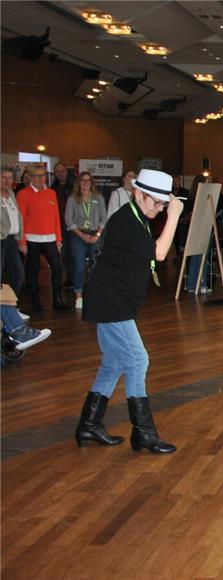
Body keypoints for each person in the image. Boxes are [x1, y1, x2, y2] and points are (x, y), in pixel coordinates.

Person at [75, 169, 184, 453]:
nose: (160, 208)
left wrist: (165, 212)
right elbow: (160, 253)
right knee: (137, 360)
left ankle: (89, 424)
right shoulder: (126, 221)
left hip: (113, 299)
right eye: (156, 203)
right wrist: (173, 216)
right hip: (112, 302)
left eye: (163, 204)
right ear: (138, 194)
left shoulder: (137, 217)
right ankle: (144, 433)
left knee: (113, 362)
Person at [17, 164, 71, 313]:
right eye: (37, 176)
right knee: (33, 271)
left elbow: (56, 218)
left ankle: (58, 300)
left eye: (43, 176)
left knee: (58, 268)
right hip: (32, 239)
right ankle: (35, 303)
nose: (41, 179)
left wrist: (58, 238)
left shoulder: (51, 193)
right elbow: (20, 219)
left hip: (50, 239)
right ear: (31, 178)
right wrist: (21, 242)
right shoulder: (23, 194)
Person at [65, 172, 107, 309]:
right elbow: (69, 221)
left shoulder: (98, 198)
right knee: (79, 266)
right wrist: (82, 235)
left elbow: (103, 219)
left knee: (96, 266)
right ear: (78, 182)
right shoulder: (72, 199)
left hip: (95, 235)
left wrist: (97, 235)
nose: (85, 183)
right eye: (82, 180)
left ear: (92, 182)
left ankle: (96, 293)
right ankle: (78, 295)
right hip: (78, 235)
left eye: (88, 180)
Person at [1, 168, 26, 300]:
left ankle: (11, 307)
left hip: (11, 240)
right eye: (4, 177)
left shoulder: (11, 194)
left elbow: (18, 217)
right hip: (1, 239)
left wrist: (20, 239)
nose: (7, 181)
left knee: (18, 274)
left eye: (10, 178)